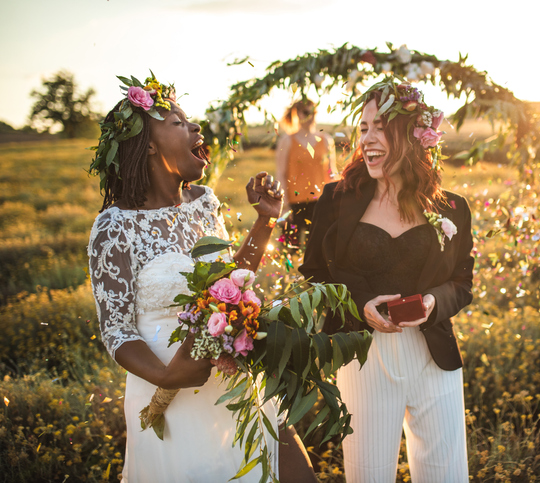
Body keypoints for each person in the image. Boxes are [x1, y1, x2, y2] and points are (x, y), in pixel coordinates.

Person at [87, 73, 315, 482]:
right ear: (149, 145)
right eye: (177, 122)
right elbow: (116, 331)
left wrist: (265, 221)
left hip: (230, 375)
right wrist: (165, 377)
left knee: (291, 470)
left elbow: (229, 285)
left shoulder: (204, 201)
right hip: (169, 393)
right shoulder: (114, 227)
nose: (194, 127)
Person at [299, 79, 473, 482]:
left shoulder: (452, 208)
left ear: (413, 136)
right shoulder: (335, 200)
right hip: (364, 359)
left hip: (435, 358)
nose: (368, 139)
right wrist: (359, 303)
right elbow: (315, 274)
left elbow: (462, 284)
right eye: (363, 128)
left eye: (381, 127)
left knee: (446, 475)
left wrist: (431, 303)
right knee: (369, 474)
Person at [275, 99, 337, 248]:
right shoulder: (286, 141)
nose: (309, 117)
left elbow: (331, 173)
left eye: (312, 112)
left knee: (317, 251)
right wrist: (284, 207)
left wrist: (334, 203)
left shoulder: (326, 140)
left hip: (319, 203)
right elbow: (281, 174)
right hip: (293, 204)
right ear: (297, 114)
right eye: (305, 112)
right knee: (290, 251)